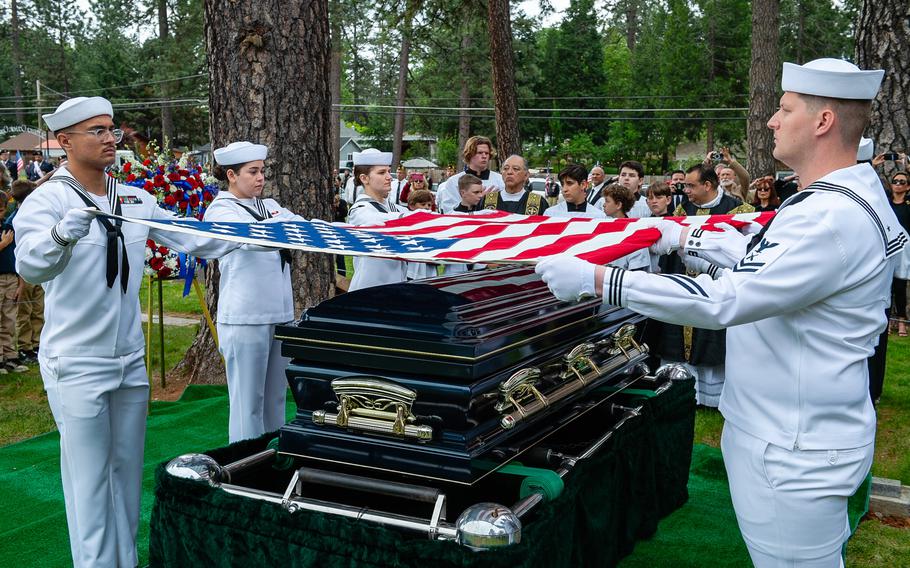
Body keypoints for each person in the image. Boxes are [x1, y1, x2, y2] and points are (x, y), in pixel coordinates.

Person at [536, 58, 900, 567]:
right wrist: (685, 233)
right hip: (803, 426)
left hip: (791, 442)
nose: (772, 120)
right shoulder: (837, 201)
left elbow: (726, 300)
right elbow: (769, 258)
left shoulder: (830, 217)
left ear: (823, 122)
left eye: (785, 109)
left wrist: (598, 281)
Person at [13, 96, 244, 567]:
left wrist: (271, 231)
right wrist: (63, 233)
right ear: (64, 141)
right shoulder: (49, 200)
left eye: (110, 128)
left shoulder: (134, 198)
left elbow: (192, 237)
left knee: (125, 475)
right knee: (89, 481)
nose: (108, 138)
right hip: (77, 360)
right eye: (95, 130)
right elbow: (31, 265)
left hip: (128, 358)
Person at [203, 141, 301, 444]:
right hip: (245, 315)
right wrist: (283, 225)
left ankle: (273, 458)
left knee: (275, 399)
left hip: (280, 312)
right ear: (231, 175)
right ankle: (244, 463)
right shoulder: (221, 210)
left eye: (262, 171)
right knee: (248, 403)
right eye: (253, 172)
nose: (261, 177)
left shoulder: (268, 207)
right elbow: (258, 238)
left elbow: (300, 227)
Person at [347, 149, 411, 291]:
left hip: (395, 289)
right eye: (382, 173)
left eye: (388, 171)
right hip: (369, 291)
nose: (389, 177)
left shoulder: (394, 209)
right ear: (364, 178)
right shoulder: (360, 210)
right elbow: (379, 222)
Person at [11, 179, 43, 362]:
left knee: (38, 308)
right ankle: (25, 346)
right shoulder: (15, 219)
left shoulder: (36, 214)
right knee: (24, 311)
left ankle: (37, 343)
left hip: (37, 267)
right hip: (22, 272)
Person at [437, 136, 504, 213]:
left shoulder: (500, 180)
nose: (484, 156)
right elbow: (449, 211)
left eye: (487, 153)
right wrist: (473, 202)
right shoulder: (454, 182)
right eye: (480, 153)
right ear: (470, 154)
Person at [600, 182, 649, 271]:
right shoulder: (601, 229)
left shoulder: (635, 234)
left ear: (618, 205)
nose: (604, 205)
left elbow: (637, 271)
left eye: (607, 201)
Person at [482, 154, 549, 215]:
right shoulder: (487, 200)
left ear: (526, 175)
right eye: (506, 168)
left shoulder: (539, 202)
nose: (509, 172)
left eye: (515, 169)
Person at [889, 171, 910, 338]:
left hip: (905, 249)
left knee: (900, 286)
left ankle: (902, 320)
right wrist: (870, 164)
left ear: (907, 186)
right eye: (895, 181)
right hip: (888, 247)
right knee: (886, 285)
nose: (898, 184)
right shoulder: (885, 203)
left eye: (902, 181)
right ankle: (888, 319)